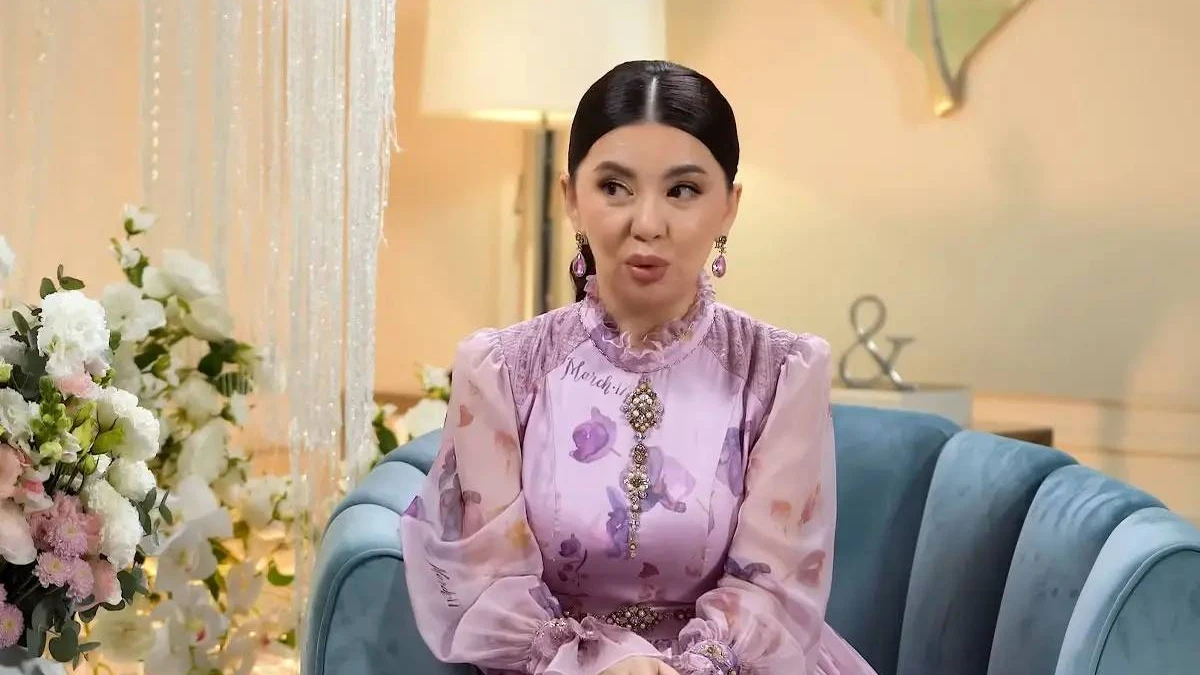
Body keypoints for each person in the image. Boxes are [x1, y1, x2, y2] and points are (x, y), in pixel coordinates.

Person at [399, 60, 877, 675]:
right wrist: (599, 665)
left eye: (683, 190)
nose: (647, 224)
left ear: (729, 207)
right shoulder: (501, 370)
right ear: (570, 197)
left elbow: (775, 588)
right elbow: (486, 583)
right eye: (614, 187)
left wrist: (687, 667)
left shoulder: (782, 372)